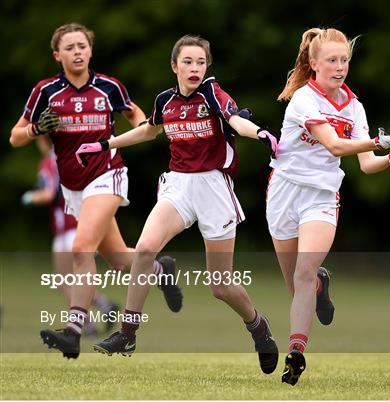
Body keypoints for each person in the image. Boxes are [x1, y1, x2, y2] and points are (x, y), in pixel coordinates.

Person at [75, 34, 280, 374]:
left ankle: (258, 327)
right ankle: (128, 333)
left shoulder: (213, 94)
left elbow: (236, 121)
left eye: (200, 62)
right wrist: (104, 145)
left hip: (214, 187)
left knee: (220, 287)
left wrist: (259, 133)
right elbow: (147, 130)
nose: (194, 67)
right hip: (179, 185)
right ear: (174, 66)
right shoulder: (165, 101)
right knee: (144, 249)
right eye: (187, 61)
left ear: (207, 66)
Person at [9, 23, 183, 359]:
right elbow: (15, 137)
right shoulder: (45, 91)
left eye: (82, 46)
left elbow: (138, 117)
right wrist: (34, 129)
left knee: (80, 248)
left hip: (107, 176)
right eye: (69, 47)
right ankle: (161, 270)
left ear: (90, 51)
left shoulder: (107, 87)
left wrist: (149, 130)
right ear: (57, 55)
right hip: (72, 187)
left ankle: (73, 332)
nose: (77, 51)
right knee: (119, 260)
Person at [268, 27, 390, 385]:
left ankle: (296, 355)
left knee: (302, 273)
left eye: (344, 60)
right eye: (332, 60)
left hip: (321, 197)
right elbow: (334, 146)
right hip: (284, 193)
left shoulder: (355, 107)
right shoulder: (305, 99)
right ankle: (319, 286)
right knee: (296, 284)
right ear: (314, 63)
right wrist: (375, 142)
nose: (339, 66)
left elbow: (366, 165)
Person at [21, 136, 119, 336]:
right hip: (83, 223)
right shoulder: (73, 156)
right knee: (74, 279)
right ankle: (94, 316)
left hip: (66, 228)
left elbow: (48, 193)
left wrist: (30, 197)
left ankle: (97, 312)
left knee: (64, 281)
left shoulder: (50, 160)